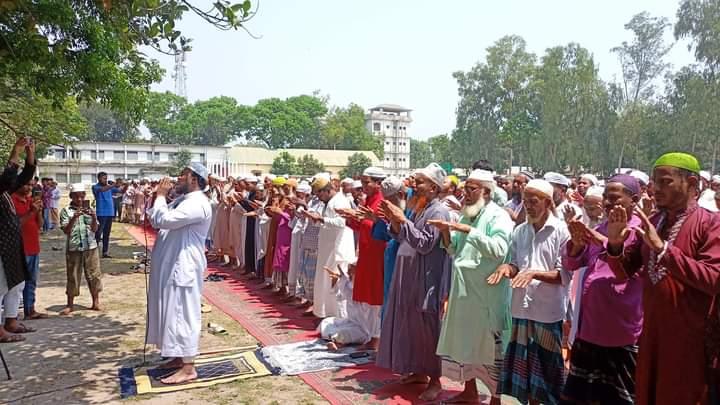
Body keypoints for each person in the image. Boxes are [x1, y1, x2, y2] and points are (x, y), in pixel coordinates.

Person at [606, 152, 720, 405]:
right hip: (651, 337)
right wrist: (614, 244)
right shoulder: (654, 222)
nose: (655, 189)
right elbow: (625, 270)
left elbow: (714, 279)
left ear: (691, 184)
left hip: (690, 342)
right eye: (655, 182)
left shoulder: (711, 223)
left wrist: (664, 251)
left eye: (665, 182)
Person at [430, 169, 514, 405]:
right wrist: (446, 231)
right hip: (464, 294)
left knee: (490, 350)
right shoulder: (467, 214)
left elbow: (499, 250)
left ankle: (495, 399)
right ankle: (470, 392)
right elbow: (454, 249)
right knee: (466, 345)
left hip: (486, 295)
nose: (465, 193)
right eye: (465, 188)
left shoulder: (499, 217)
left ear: (486, 191)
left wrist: (470, 231)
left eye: (471, 189)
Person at [561, 174, 644, 405]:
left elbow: (632, 271)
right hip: (589, 330)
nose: (607, 203)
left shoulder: (640, 233)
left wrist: (608, 243)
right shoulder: (601, 227)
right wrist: (577, 244)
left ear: (634, 200)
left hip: (621, 332)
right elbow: (572, 264)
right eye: (606, 197)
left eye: (614, 198)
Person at [489, 179, 570, 405]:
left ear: (547, 203)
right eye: (525, 201)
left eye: (533, 202)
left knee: (547, 376)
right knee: (524, 377)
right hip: (521, 310)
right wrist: (508, 268)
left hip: (547, 312)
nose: (528, 206)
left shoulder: (561, 231)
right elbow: (515, 263)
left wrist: (533, 274)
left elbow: (563, 275)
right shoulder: (520, 231)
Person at [377, 163, 451, 402]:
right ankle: (418, 372)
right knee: (411, 325)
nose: (414, 185)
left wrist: (402, 219)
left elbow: (426, 244)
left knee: (428, 329)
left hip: (426, 278)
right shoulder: (420, 208)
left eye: (419, 182)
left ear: (433, 187)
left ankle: (436, 380)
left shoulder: (438, 211)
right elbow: (402, 237)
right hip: (408, 276)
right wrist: (396, 221)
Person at [146, 163, 212, 385]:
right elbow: (155, 218)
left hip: (183, 268)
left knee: (183, 314)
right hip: (171, 265)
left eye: (184, 174)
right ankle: (175, 356)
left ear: (195, 179)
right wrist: (158, 197)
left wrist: (161, 195)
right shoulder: (184, 200)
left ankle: (188, 367)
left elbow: (164, 219)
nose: (179, 177)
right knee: (170, 312)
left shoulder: (198, 203)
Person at [336, 166, 387, 351]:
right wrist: (350, 217)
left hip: (377, 255)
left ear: (378, 183)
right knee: (367, 297)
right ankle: (371, 334)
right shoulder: (369, 201)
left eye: (367, 182)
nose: (363, 186)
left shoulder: (382, 202)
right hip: (367, 253)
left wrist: (360, 218)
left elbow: (379, 227)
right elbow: (363, 226)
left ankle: (376, 337)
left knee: (375, 298)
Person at [0, 137, 36, 343]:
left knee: (17, 284)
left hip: (11, 246)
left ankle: (11, 321)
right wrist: (16, 149)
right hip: (1, 247)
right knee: (0, 287)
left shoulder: (5, 191)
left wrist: (29, 152)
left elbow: (25, 176)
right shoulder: (2, 187)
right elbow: (9, 175)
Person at [308, 176, 356, 318]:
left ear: (327, 190)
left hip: (337, 249)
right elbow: (327, 224)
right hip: (327, 248)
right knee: (325, 281)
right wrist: (316, 218)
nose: (318, 197)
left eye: (319, 194)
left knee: (335, 282)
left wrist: (321, 219)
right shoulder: (329, 202)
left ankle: (338, 316)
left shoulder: (340, 201)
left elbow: (342, 222)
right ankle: (326, 314)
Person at [365, 176, 405, 319]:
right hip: (390, 257)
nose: (387, 204)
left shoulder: (409, 209)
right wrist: (377, 220)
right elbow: (387, 233)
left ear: (400, 195)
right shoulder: (395, 207)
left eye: (390, 200)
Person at [59, 183, 102, 315]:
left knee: (94, 275)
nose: (80, 200)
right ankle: (70, 304)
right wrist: (74, 218)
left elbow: (95, 229)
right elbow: (66, 230)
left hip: (90, 246)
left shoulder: (89, 210)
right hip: (74, 247)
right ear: (71, 197)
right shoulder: (66, 211)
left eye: (82, 196)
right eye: (76, 197)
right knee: (73, 276)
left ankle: (96, 302)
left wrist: (94, 217)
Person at [12, 176, 47, 320]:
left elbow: (39, 225)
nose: (29, 188)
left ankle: (30, 310)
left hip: (33, 247)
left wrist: (38, 211)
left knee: (31, 281)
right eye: (27, 185)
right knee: (16, 285)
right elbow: (14, 225)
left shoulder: (30, 201)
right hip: (19, 249)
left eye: (31, 185)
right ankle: (11, 316)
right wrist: (31, 212)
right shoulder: (10, 201)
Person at [92, 172, 119, 258]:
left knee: (106, 234)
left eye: (106, 178)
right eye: (104, 178)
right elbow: (102, 190)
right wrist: (113, 185)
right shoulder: (95, 187)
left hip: (110, 213)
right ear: (99, 178)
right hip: (101, 213)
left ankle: (105, 252)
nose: (105, 180)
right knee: (98, 233)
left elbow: (120, 190)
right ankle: (94, 251)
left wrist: (122, 184)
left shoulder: (109, 187)